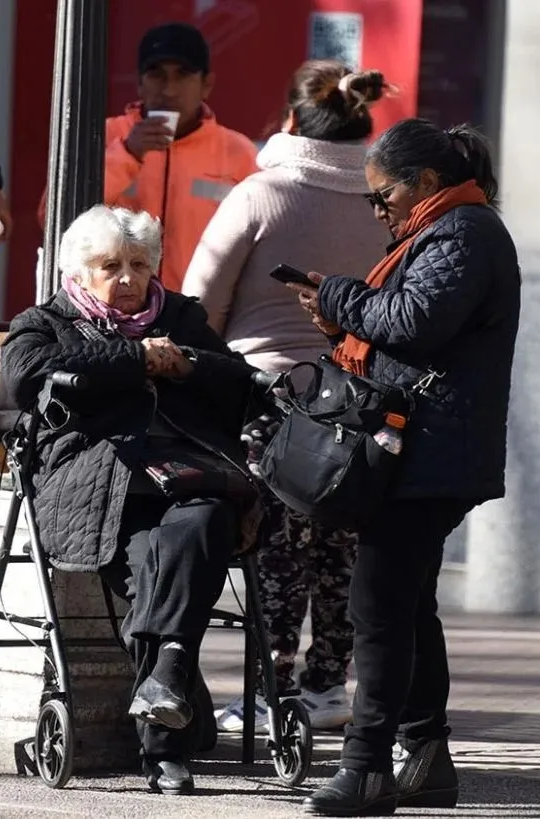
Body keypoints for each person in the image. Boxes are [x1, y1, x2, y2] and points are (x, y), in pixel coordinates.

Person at [287, 120, 520, 816]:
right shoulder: (441, 232)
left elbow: (417, 322)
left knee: (379, 607)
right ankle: (426, 758)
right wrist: (346, 318)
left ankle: (366, 769)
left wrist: (339, 298)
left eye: (380, 195)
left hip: (430, 452)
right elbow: (413, 332)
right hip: (422, 448)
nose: (376, 209)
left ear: (423, 182)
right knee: (409, 605)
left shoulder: (465, 233)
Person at [2, 205, 259, 796]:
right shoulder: (45, 322)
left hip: (187, 475)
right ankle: (167, 733)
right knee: (152, 566)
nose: (127, 279)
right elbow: (24, 378)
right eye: (109, 266)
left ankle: (165, 682)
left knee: (206, 522)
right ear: (78, 271)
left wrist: (186, 363)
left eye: (139, 265)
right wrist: (137, 358)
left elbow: (239, 382)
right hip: (101, 484)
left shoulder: (183, 319)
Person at [183, 60, 389, 736]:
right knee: (342, 545)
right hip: (355, 399)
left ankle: (274, 686)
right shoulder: (382, 205)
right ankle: (331, 683)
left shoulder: (260, 194)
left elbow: (202, 303)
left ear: (293, 121)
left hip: (270, 397)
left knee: (277, 545)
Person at [37, 21, 258, 292]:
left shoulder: (238, 152)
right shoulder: (104, 135)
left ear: (206, 84)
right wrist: (128, 154)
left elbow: (260, 246)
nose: (169, 89)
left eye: (183, 75)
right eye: (157, 75)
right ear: (139, 83)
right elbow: (51, 217)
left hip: (198, 314)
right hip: (109, 309)